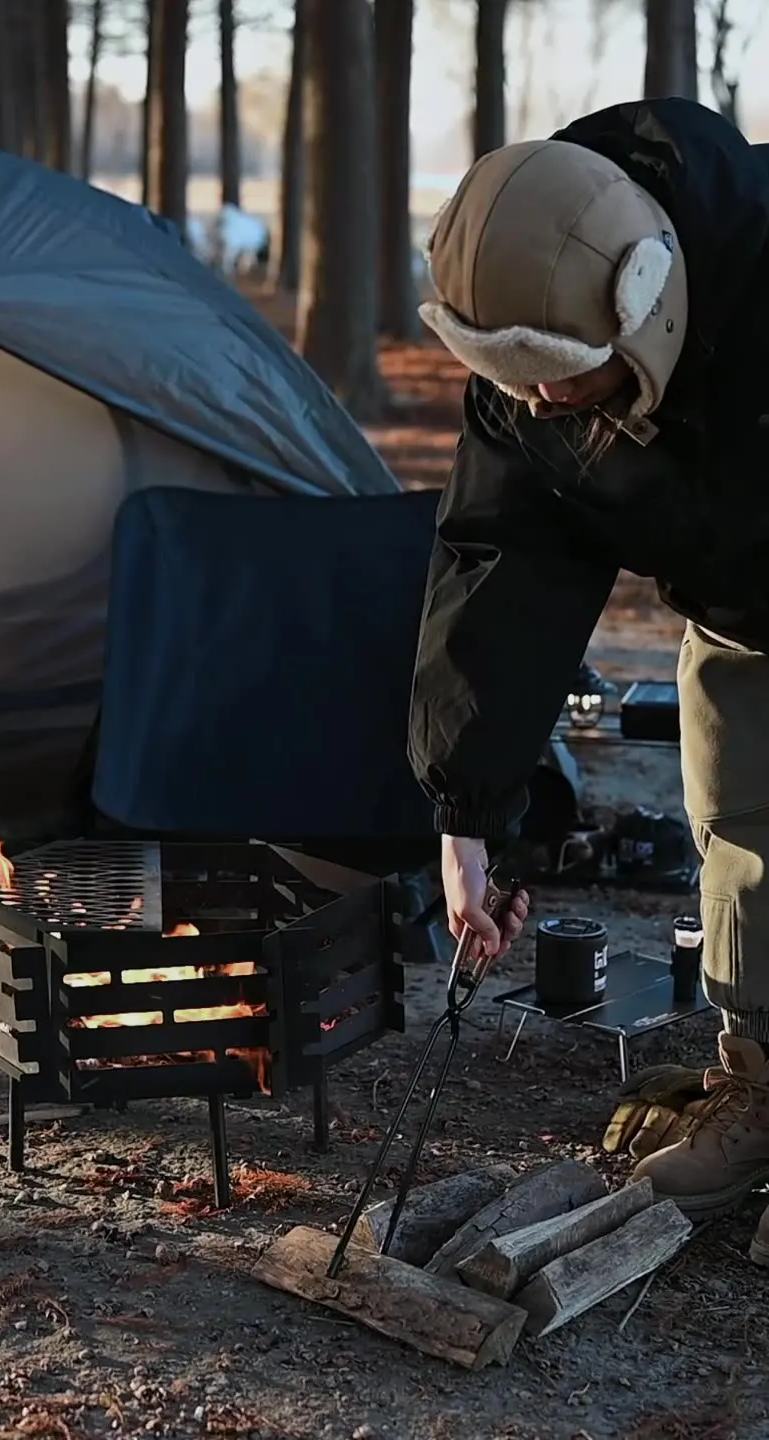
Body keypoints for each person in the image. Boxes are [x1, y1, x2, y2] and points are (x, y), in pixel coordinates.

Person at [408, 96, 769, 1264]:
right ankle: (761, 1093)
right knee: (744, 839)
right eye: (517, 381)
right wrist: (468, 814)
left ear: (646, 298)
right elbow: (503, 569)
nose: (545, 404)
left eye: (569, 375)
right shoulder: (529, 380)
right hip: (743, 622)